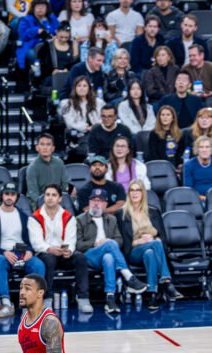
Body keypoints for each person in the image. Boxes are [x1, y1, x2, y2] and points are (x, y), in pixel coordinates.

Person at [75, 188, 147, 313]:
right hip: (89, 255)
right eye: (93, 200)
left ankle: (110, 298)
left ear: (105, 204)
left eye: (99, 201)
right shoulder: (79, 220)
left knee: (109, 257)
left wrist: (107, 242)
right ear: (89, 202)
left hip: (107, 254)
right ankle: (128, 276)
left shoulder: (112, 219)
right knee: (110, 244)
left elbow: (120, 240)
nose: (96, 203)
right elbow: (78, 244)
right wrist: (95, 243)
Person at [0, 182, 46, 319]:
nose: (9, 197)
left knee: (38, 264)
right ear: (2, 196)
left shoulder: (24, 217)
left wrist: (30, 251)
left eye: (12, 194)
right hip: (4, 254)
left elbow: (30, 241)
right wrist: (3, 252)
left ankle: (32, 304)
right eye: (7, 194)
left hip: (22, 254)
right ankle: (6, 304)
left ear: (17, 197)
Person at [119, 179, 177, 310]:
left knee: (151, 252)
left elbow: (162, 236)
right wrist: (138, 241)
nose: (135, 193)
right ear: (128, 193)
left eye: (138, 190)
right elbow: (122, 241)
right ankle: (166, 281)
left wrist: (154, 239)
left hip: (152, 248)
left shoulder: (153, 211)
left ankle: (152, 294)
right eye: (132, 190)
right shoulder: (121, 214)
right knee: (155, 244)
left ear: (143, 193)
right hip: (133, 251)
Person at [60, 76, 101, 160]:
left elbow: (104, 118)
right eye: (79, 85)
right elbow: (70, 123)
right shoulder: (67, 104)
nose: (81, 88)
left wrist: (95, 126)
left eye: (84, 86)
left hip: (97, 132)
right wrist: (87, 127)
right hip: (80, 135)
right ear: (74, 88)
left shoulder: (98, 102)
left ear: (89, 88)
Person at [25, 133, 70, 205]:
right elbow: (33, 193)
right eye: (42, 144)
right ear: (37, 147)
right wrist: (48, 205)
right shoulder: (32, 167)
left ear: (53, 148)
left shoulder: (59, 163)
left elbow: (65, 184)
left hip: (58, 201)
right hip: (40, 203)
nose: (45, 147)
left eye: (48, 144)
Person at [17, 0, 59, 69]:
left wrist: (55, 37)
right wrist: (36, 31)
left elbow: (59, 31)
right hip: (31, 46)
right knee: (32, 54)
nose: (40, 8)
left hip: (50, 45)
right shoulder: (26, 19)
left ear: (47, 8)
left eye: (42, 6)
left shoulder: (52, 18)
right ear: (33, 8)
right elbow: (23, 35)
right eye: (38, 6)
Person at [144, 105, 188, 169]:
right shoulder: (154, 134)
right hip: (159, 166)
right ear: (159, 117)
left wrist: (179, 165)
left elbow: (181, 152)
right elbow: (153, 154)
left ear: (173, 118)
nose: (165, 117)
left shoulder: (179, 133)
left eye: (168, 115)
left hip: (175, 166)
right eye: (162, 115)